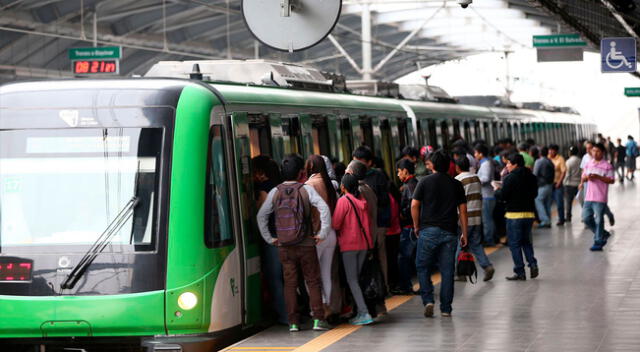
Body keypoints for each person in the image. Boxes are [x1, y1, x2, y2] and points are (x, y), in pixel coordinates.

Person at [256, 154, 332, 332]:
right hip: (306, 244)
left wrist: (270, 238)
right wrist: (323, 232)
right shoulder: (306, 190)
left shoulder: (275, 191)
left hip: (284, 245)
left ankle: (293, 323)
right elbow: (324, 209)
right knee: (312, 281)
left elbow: (261, 216)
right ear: (300, 173)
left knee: (290, 283)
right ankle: (318, 320)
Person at [412, 150, 468, 318]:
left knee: (423, 267)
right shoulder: (456, 184)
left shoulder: (424, 182)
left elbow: (414, 205)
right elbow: (463, 212)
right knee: (447, 271)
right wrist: (464, 233)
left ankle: (428, 300)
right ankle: (446, 308)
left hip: (428, 231)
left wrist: (416, 226)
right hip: (450, 233)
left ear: (433, 165)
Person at [332, 173, 374, 326]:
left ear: (343, 187)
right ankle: (360, 311)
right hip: (363, 245)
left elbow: (336, 224)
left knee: (352, 280)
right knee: (356, 279)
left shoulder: (343, 201)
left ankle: (364, 313)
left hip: (349, 246)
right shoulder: (362, 201)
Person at [252, 156, 287, 325]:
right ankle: (292, 312)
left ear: (260, 173)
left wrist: (267, 238)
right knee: (288, 279)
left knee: (275, 279)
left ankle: (284, 315)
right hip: (287, 237)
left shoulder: (264, 190)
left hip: (273, 240)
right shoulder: (281, 186)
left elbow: (260, 214)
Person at [495, 153, 539, 280]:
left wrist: (497, 190)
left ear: (515, 164)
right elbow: (534, 194)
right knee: (526, 241)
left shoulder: (510, 178)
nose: (507, 166)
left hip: (514, 215)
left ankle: (520, 271)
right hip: (529, 214)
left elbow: (503, 196)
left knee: (514, 244)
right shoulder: (531, 177)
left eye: (508, 163)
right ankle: (533, 264)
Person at [352, 146, 390, 290]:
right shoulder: (352, 177)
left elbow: (384, 200)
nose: (356, 165)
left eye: (360, 162)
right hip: (360, 227)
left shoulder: (377, 176)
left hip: (377, 224)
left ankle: (383, 286)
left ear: (369, 162)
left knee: (380, 257)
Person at [304, 155, 338, 317]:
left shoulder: (309, 185)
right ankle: (327, 305)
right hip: (331, 234)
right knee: (325, 273)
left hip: (316, 235)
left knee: (310, 274)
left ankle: (319, 307)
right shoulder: (331, 185)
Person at [454, 156, 495, 281]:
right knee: (476, 244)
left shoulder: (458, 180)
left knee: (460, 246)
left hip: (464, 219)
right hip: (477, 217)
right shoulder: (476, 177)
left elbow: (457, 201)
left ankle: (460, 273)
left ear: (458, 167)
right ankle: (487, 266)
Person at [581, 143, 615, 251]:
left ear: (603, 153)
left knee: (599, 220)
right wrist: (586, 178)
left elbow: (611, 180)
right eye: (593, 151)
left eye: (598, 151)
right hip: (588, 196)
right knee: (586, 218)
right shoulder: (588, 164)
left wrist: (598, 177)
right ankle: (603, 234)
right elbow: (583, 176)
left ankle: (598, 241)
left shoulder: (607, 166)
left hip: (600, 197)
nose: (595, 153)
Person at [394, 159, 419, 294]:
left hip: (409, 227)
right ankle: (426, 285)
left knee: (403, 257)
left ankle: (405, 286)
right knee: (418, 258)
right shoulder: (417, 183)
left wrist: (402, 215)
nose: (398, 175)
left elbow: (409, 207)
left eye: (399, 172)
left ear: (405, 171)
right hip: (417, 226)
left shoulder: (407, 187)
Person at [474, 144, 496, 246]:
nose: (475, 155)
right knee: (488, 219)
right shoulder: (484, 163)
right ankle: (491, 238)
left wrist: (475, 180)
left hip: (487, 195)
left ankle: (489, 240)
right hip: (487, 195)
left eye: (476, 153)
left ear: (481, 153)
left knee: (487, 220)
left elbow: (486, 178)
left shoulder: (486, 164)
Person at [533, 147, 555, 228]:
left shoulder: (539, 161)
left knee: (538, 200)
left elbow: (535, 174)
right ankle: (548, 220)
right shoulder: (550, 161)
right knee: (547, 203)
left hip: (542, 185)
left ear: (540, 153)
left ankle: (545, 220)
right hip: (550, 185)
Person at [548, 144, 567, 226]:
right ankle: (547, 220)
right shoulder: (547, 158)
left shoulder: (560, 159)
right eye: (549, 150)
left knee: (559, 202)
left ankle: (561, 219)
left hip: (557, 184)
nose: (550, 152)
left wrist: (559, 182)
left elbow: (563, 171)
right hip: (548, 184)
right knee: (548, 203)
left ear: (556, 151)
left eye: (552, 150)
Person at [563, 146, 582, 223]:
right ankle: (584, 216)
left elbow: (567, 174)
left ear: (570, 152)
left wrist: (564, 182)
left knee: (568, 202)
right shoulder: (580, 161)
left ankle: (568, 217)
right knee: (581, 201)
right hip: (579, 184)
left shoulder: (568, 161)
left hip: (569, 184)